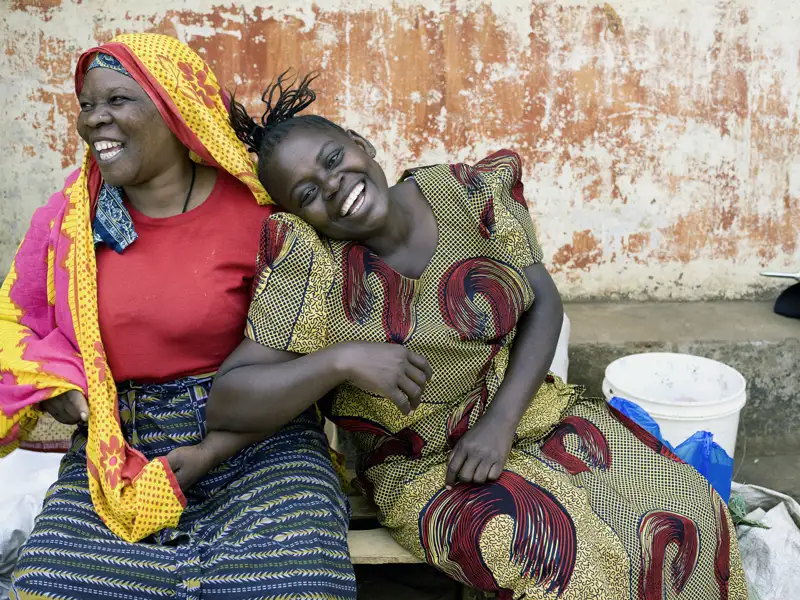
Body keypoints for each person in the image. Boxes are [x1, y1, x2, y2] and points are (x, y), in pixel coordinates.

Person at [176, 71, 749, 599]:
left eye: (332, 158)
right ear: (296, 214)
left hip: (529, 412)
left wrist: (499, 425)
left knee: (692, 510)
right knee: (565, 563)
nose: (332, 185)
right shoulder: (314, 268)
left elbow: (542, 301)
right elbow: (229, 399)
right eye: (305, 193)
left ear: (360, 143)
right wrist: (340, 361)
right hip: (423, 465)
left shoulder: (470, 195)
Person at [0, 40, 356, 599]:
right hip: (120, 451)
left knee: (300, 588)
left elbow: (322, 321)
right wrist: (57, 387)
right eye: (87, 104)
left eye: (117, 99)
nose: (96, 120)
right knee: (47, 586)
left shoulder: (262, 212)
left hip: (261, 444)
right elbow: (18, 321)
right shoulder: (70, 219)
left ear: (174, 107)